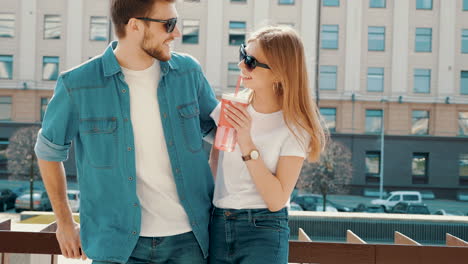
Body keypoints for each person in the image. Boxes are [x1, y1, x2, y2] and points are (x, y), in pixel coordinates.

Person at [34, 0, 218, 263]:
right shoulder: (77, 84)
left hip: (190, 241)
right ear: (135, 26)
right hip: (116, 245)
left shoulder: (188, 72)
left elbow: (222, 132)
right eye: (169, 24)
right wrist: (64, 222)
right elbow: (48, 152)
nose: (176, 33)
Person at [208, 26, 327, 264]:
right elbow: (214, 162)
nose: (242, 65)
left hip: (263, 228)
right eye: (243, 55)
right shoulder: (231, 108)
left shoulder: (294, 127)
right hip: (219, 222)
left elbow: (276, 199)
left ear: (279, 73)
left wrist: (246, 142)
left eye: (251, 61)